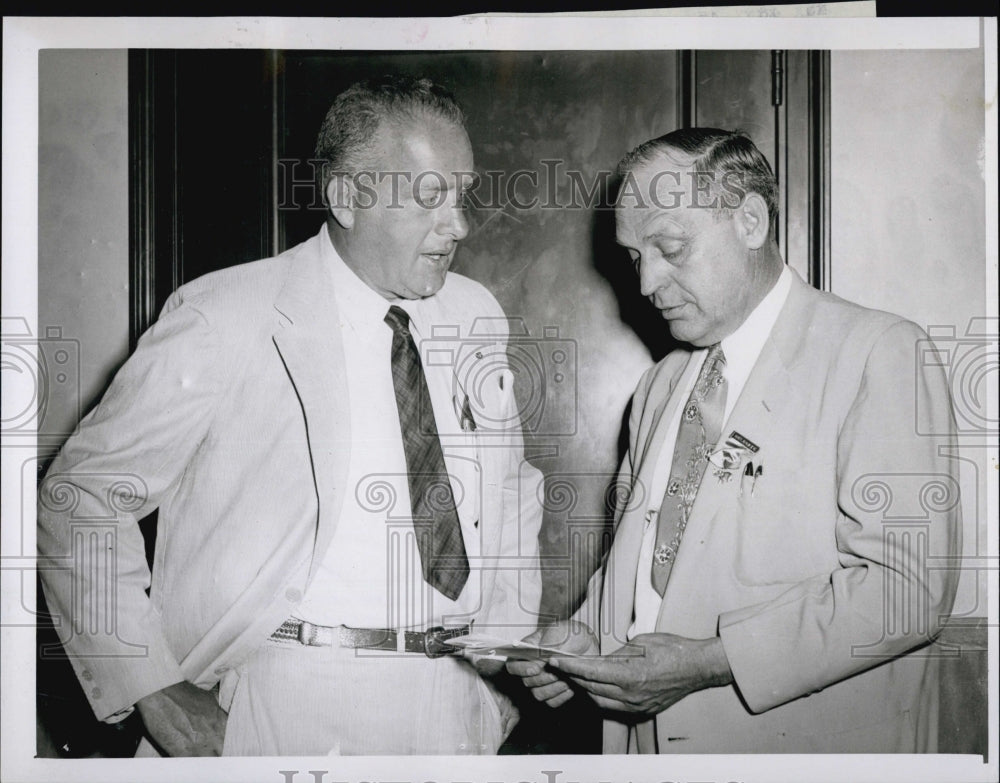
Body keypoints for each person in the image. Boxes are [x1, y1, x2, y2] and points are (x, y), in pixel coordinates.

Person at [37, 75, 543, 757]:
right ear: (345, 197)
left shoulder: (476, 313)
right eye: (430, 197)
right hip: (290, 700)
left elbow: (510, 489)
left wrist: (505, 661)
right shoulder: (226, 315)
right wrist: (151, 687)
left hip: (453, 707)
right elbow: (81, 493)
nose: (458, 224)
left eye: (462, 194)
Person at [508, 127, 961, 753]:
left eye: (670, 247)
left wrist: (709, 662)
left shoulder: (878, 354)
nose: (646, 284)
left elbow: (907, 593)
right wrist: (587, 638)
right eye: (636, 257)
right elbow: (646, 571)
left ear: (749, 220)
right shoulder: (661, 385)